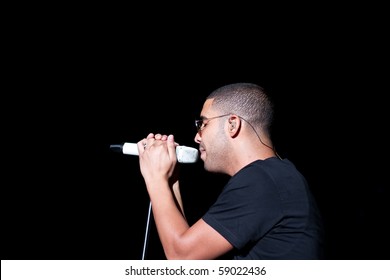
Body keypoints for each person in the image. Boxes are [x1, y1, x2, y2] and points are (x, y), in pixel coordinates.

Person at [136, 82, 324, 259]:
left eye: (202, 124)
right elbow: (191, 256)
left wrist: (155, 177)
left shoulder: (262, 180)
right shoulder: (274, 177)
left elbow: (182, 257)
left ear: (232, 124)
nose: (196, 137)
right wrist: (170, 181)